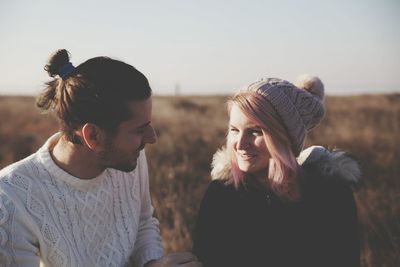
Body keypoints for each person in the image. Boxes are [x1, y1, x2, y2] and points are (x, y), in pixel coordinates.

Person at [0, 49, 201, 267]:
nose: (152, 138)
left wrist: (152, 262)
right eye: (139, 130)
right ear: (93, 136)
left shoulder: (130, 158)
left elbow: (142, 223)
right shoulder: (12, 199)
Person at [193, 76, 361, 267]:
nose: (240, 144)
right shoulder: (222, 195)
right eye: (234, 130)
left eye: (255, 131)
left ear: (284, 137)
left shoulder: (330, 195)